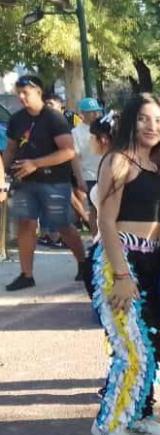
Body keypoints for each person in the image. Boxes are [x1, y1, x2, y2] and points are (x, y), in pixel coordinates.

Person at [89, 93, 160, 435]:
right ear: (130, 121)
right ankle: (109, 424)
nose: (151, 126)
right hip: (119, 262)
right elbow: (105, 221)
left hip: (152, 262)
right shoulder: (118, 161)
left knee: (151, 345)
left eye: (158, 119)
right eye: (143, 118)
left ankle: (138, 413)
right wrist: (122, 276)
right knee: (132, 350)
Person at [4, 75, 88, 291]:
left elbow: (68, 151)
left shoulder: (54, 118)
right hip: (23, 181)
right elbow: (11, 149)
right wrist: (4, 173)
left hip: (53, 181)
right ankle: (26, 274)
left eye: (26, 93)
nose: (22, 97)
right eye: (19, 93)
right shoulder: (16, 120)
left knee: (61, 224)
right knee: (26, 223)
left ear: (38, 92)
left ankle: (83, 262)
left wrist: (36, 163)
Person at [71, 97, 104, 232]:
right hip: (89, 176)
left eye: (97, 111)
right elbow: (75, 157)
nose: (95, 114)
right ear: (82, 114)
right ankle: (96, 238)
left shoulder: (104, 129)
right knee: (94, 208)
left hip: (106, 174)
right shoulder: (76, 133)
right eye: (91, 112)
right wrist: (79, 179)